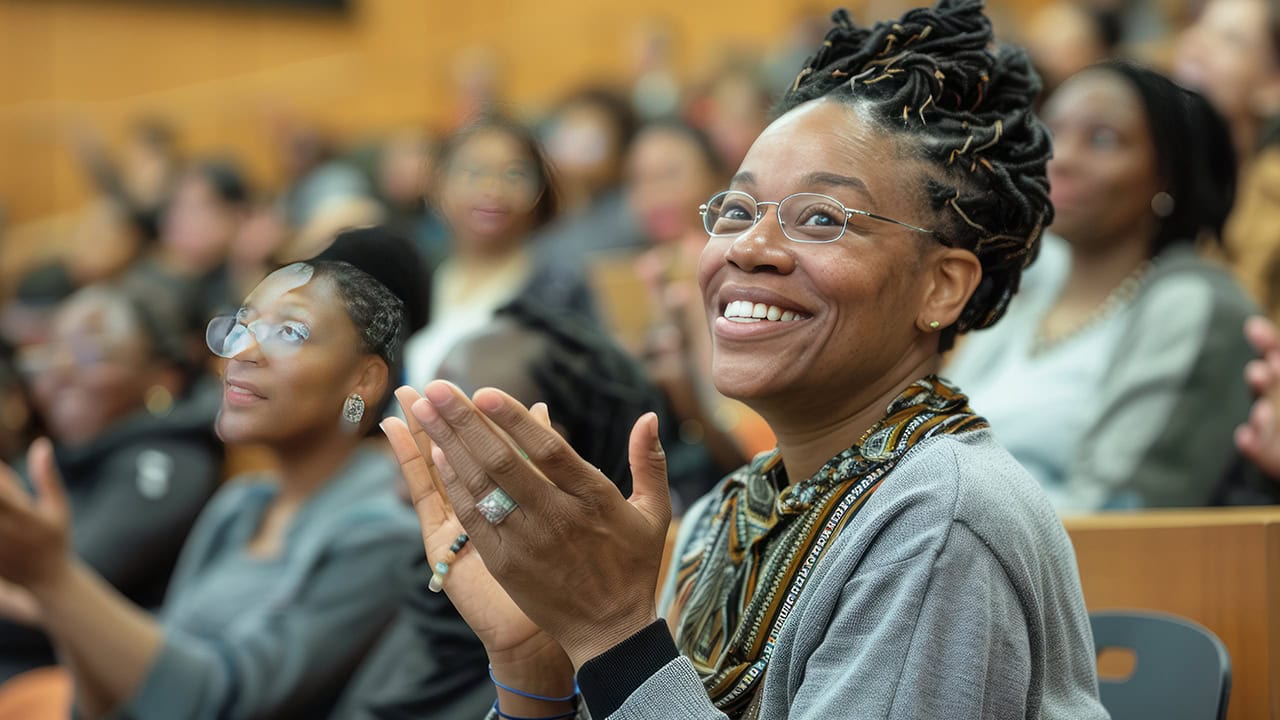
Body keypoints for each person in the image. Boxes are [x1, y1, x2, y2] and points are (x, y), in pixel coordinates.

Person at [388, 2, 1107, 718]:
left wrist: (613, 634)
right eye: (735, 211)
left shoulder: (941, 520)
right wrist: (534, 670)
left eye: (822, 218)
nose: (747, 247)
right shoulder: (726, 516)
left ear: (940, 286)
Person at [0, 253, 421, 718]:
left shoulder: (384, 533)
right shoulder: (239, 505)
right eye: (243, 326)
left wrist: (52, 576)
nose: (240, 352)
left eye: (290, 332)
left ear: (363, 379)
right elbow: (124, 693)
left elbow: (223, 700)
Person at [947, 60, 1256, 512]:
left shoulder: (1192, 304)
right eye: (1052, 132)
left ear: (1166, 174)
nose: (1063, 158)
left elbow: (1117, 514)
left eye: (1102, 139)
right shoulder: (1029, 294)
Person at [0, 284, 221, 683]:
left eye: (91, 353)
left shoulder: (167, 460)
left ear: (163, 377)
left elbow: (64, 596)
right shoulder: (61, 455)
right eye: (50, 352)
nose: (61, 369)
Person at [402, 113, 597, 392]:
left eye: (515, 174)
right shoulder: (420, 278)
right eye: (473, 172)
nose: (493, 189)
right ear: (439, 183)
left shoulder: (560, 288)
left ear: (541, 190)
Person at [1174, 0, 1280, 315]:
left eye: (1231, 39)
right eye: (1199, 25)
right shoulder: (1149, 168)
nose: (1199, 45)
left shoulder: (1272, 192)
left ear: (1273, 84)